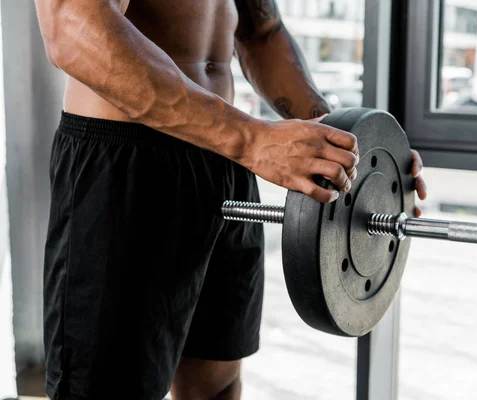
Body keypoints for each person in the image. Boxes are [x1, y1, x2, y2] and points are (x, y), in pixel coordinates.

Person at [34, 1, 428, 399]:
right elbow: (71, 27)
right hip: (130, 161)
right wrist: (251, 139)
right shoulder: (242, 139)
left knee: (216, 386)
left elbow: (261, 32)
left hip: (225, 152)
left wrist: (343, 149)